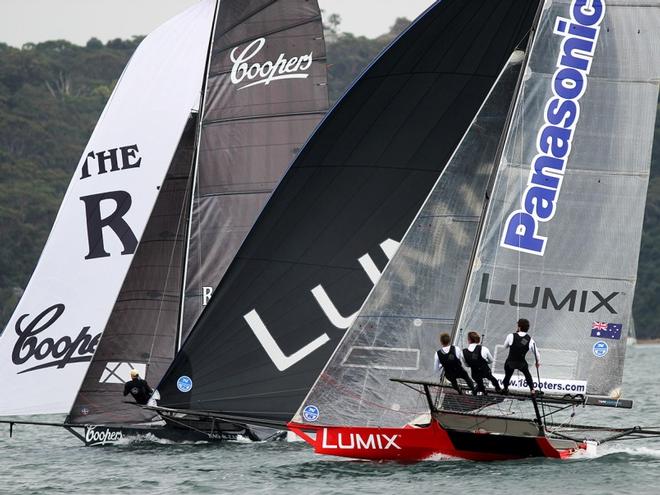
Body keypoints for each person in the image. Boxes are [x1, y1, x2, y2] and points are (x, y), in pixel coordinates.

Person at [501, 318, 541, 395]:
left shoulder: (511, 336)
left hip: (510, 362)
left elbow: (505, 347)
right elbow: (537, 354)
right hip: (521, 363)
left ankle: (505, 389)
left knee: (508, 375)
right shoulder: (530, 339)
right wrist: (537, 362)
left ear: (519, 327)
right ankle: (532, 390)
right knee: (527, 375)